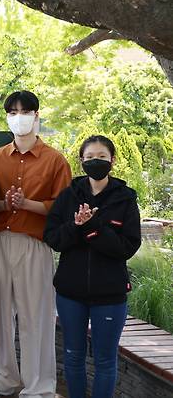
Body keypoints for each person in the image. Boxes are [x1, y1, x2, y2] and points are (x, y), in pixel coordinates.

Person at [0, 91, 72, 398]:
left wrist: (27, 203)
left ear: (37, 115)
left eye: (25, 111)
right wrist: (7, 203)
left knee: (37, 317)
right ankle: (1, 376)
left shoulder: (55, 160)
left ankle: (39, 386)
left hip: (34, 244)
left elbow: (62, 208)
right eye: (13, 111)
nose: (19, 117)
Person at [44, 135, 141, 398]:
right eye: (89, 158)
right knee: (73, 356)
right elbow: (54, 239)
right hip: (70, 294)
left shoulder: (125, 199)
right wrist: (75, 226)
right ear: (81, 161)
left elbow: (126, 247)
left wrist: (93, 228)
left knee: (105, 360)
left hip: (110, 294)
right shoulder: (68, 196)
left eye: (101, 157)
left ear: (112, 160)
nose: (95, 162)